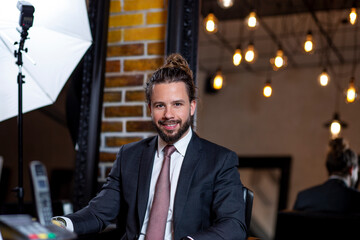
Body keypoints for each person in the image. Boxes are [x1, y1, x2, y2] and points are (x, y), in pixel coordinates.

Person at [54, 53, 247, 240]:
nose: (168, 115)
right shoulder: (129, 156)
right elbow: (98, 213)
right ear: (150, 109)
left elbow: (233, 225)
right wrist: (60, 224)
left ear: (192, 106)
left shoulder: (219, 160)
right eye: (160, 106)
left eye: (177, 104)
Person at [293, 137, 360, 214]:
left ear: (328, 168)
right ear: (351, 170)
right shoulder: (357, 199)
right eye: (357, 170)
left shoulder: (303, 198)